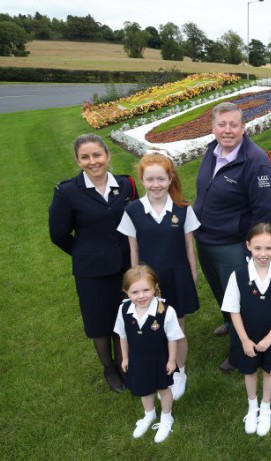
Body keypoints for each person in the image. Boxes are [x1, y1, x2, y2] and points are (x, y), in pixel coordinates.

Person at [49, 133, 138, 393]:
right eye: (85, 157)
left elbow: (135, 219)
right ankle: (109, 368)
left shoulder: (126, 184)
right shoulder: (66, 192)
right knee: (99, 321)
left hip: (125, 267)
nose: (92, 161)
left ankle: (125, 365)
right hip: (91, 271)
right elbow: (58, 234)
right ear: (78, 161)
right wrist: (83, 253)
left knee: (124, 318)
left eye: (97, 155)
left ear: (107, 156)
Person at [194, 102, 271, 373]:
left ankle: (244, 352)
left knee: (242, 300)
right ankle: (231, 324)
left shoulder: (256, 162)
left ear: (243, 127)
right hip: (206, 238)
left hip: (232, 244)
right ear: (213, 127)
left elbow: (264, 212)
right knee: (221, 291)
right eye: (222, 124)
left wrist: (255, 250)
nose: (227, 130)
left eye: (233, 125)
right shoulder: (212, 150)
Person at [118, 152, 200, 400]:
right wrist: (135, 283)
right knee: (153, 329)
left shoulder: (183, 210)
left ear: (170, 178)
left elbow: (189, 248)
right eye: (150, 179)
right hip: (147, 283)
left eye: (161, 179)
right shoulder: (132, 211)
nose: (156, 185)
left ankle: (179, 371)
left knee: (177, 329)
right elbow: (133, 249)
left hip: (177, 278)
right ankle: (157, 368)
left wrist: (192, 279)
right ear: (142, 179)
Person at [221, 223, 271, 436]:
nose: (263, 254)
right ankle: (252, 405)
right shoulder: (238, 275)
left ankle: (265, 407)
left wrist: (270, 338)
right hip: (245, 336)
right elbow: (233, 310)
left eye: (268, 248)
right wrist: (245, 340)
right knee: (249, 370)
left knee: (269, 370)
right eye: (257, 248)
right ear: (248, 246)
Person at [114, 265, 184, 443]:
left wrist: (171, 360)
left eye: (146, 290)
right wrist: (125, 357)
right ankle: (149, 414)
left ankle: (167, 417)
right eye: (135, 292)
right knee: (144, 389)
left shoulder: (165, 311)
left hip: (159, 359)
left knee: (163, 388)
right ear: (126, 292)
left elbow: (173, 338)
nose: (141, 296)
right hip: (137, 359)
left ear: (155, 288)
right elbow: (122, 335)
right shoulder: (124, 311)